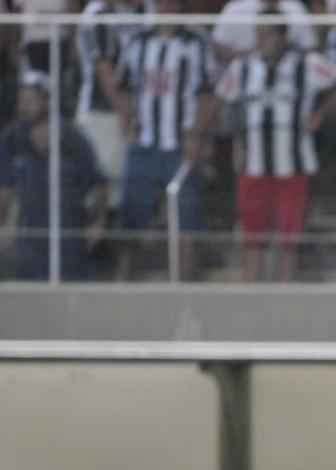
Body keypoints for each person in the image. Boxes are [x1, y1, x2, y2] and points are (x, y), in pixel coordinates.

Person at [217, 24, 336, 281]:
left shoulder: (306, 64)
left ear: (283, 36)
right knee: (252, 235)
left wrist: (319, 112)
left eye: (267, 35)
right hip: (253, 164)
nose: (261, 41)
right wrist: (235, 142)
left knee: (289, 234)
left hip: (293, 164)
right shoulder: (242, 68)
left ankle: (285, 291)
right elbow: (224, 99)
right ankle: (250, 288)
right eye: (258, 35)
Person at [115, 0, 216, 281]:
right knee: (132, 212)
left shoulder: (196, 44)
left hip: (179, 144)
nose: (165, 6)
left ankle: (184, 283)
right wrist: (127, 119)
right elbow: (122, 85)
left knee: (186, 215)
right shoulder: (137, 42)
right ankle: (125, 280)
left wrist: (196, 134)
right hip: (144, 144)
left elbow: (207, 93)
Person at [0, 71, 109, 281]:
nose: (23, 106)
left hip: (70, 239)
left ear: (47, 100)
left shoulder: (72, 138)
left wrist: (98, 223)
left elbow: (99, 185)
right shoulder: (11, 139)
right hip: (28, 241)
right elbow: (4, 190)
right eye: (21, 100)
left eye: (29, 100)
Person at [76, 0, 139, 211]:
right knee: (102, 181)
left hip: (127, 108)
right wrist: (123, 113)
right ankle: (100, 239)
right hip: (102, 112)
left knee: (121, 184)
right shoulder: (98, 14)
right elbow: (104, 68)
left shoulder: (131, 10)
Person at [211, 0, 316, 63]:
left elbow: (309, 49)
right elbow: (217, 49)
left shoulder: (296, 8)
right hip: (241, 80)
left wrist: (284, 52)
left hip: (287, 77)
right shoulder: (235, 9)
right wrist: (254, 56)